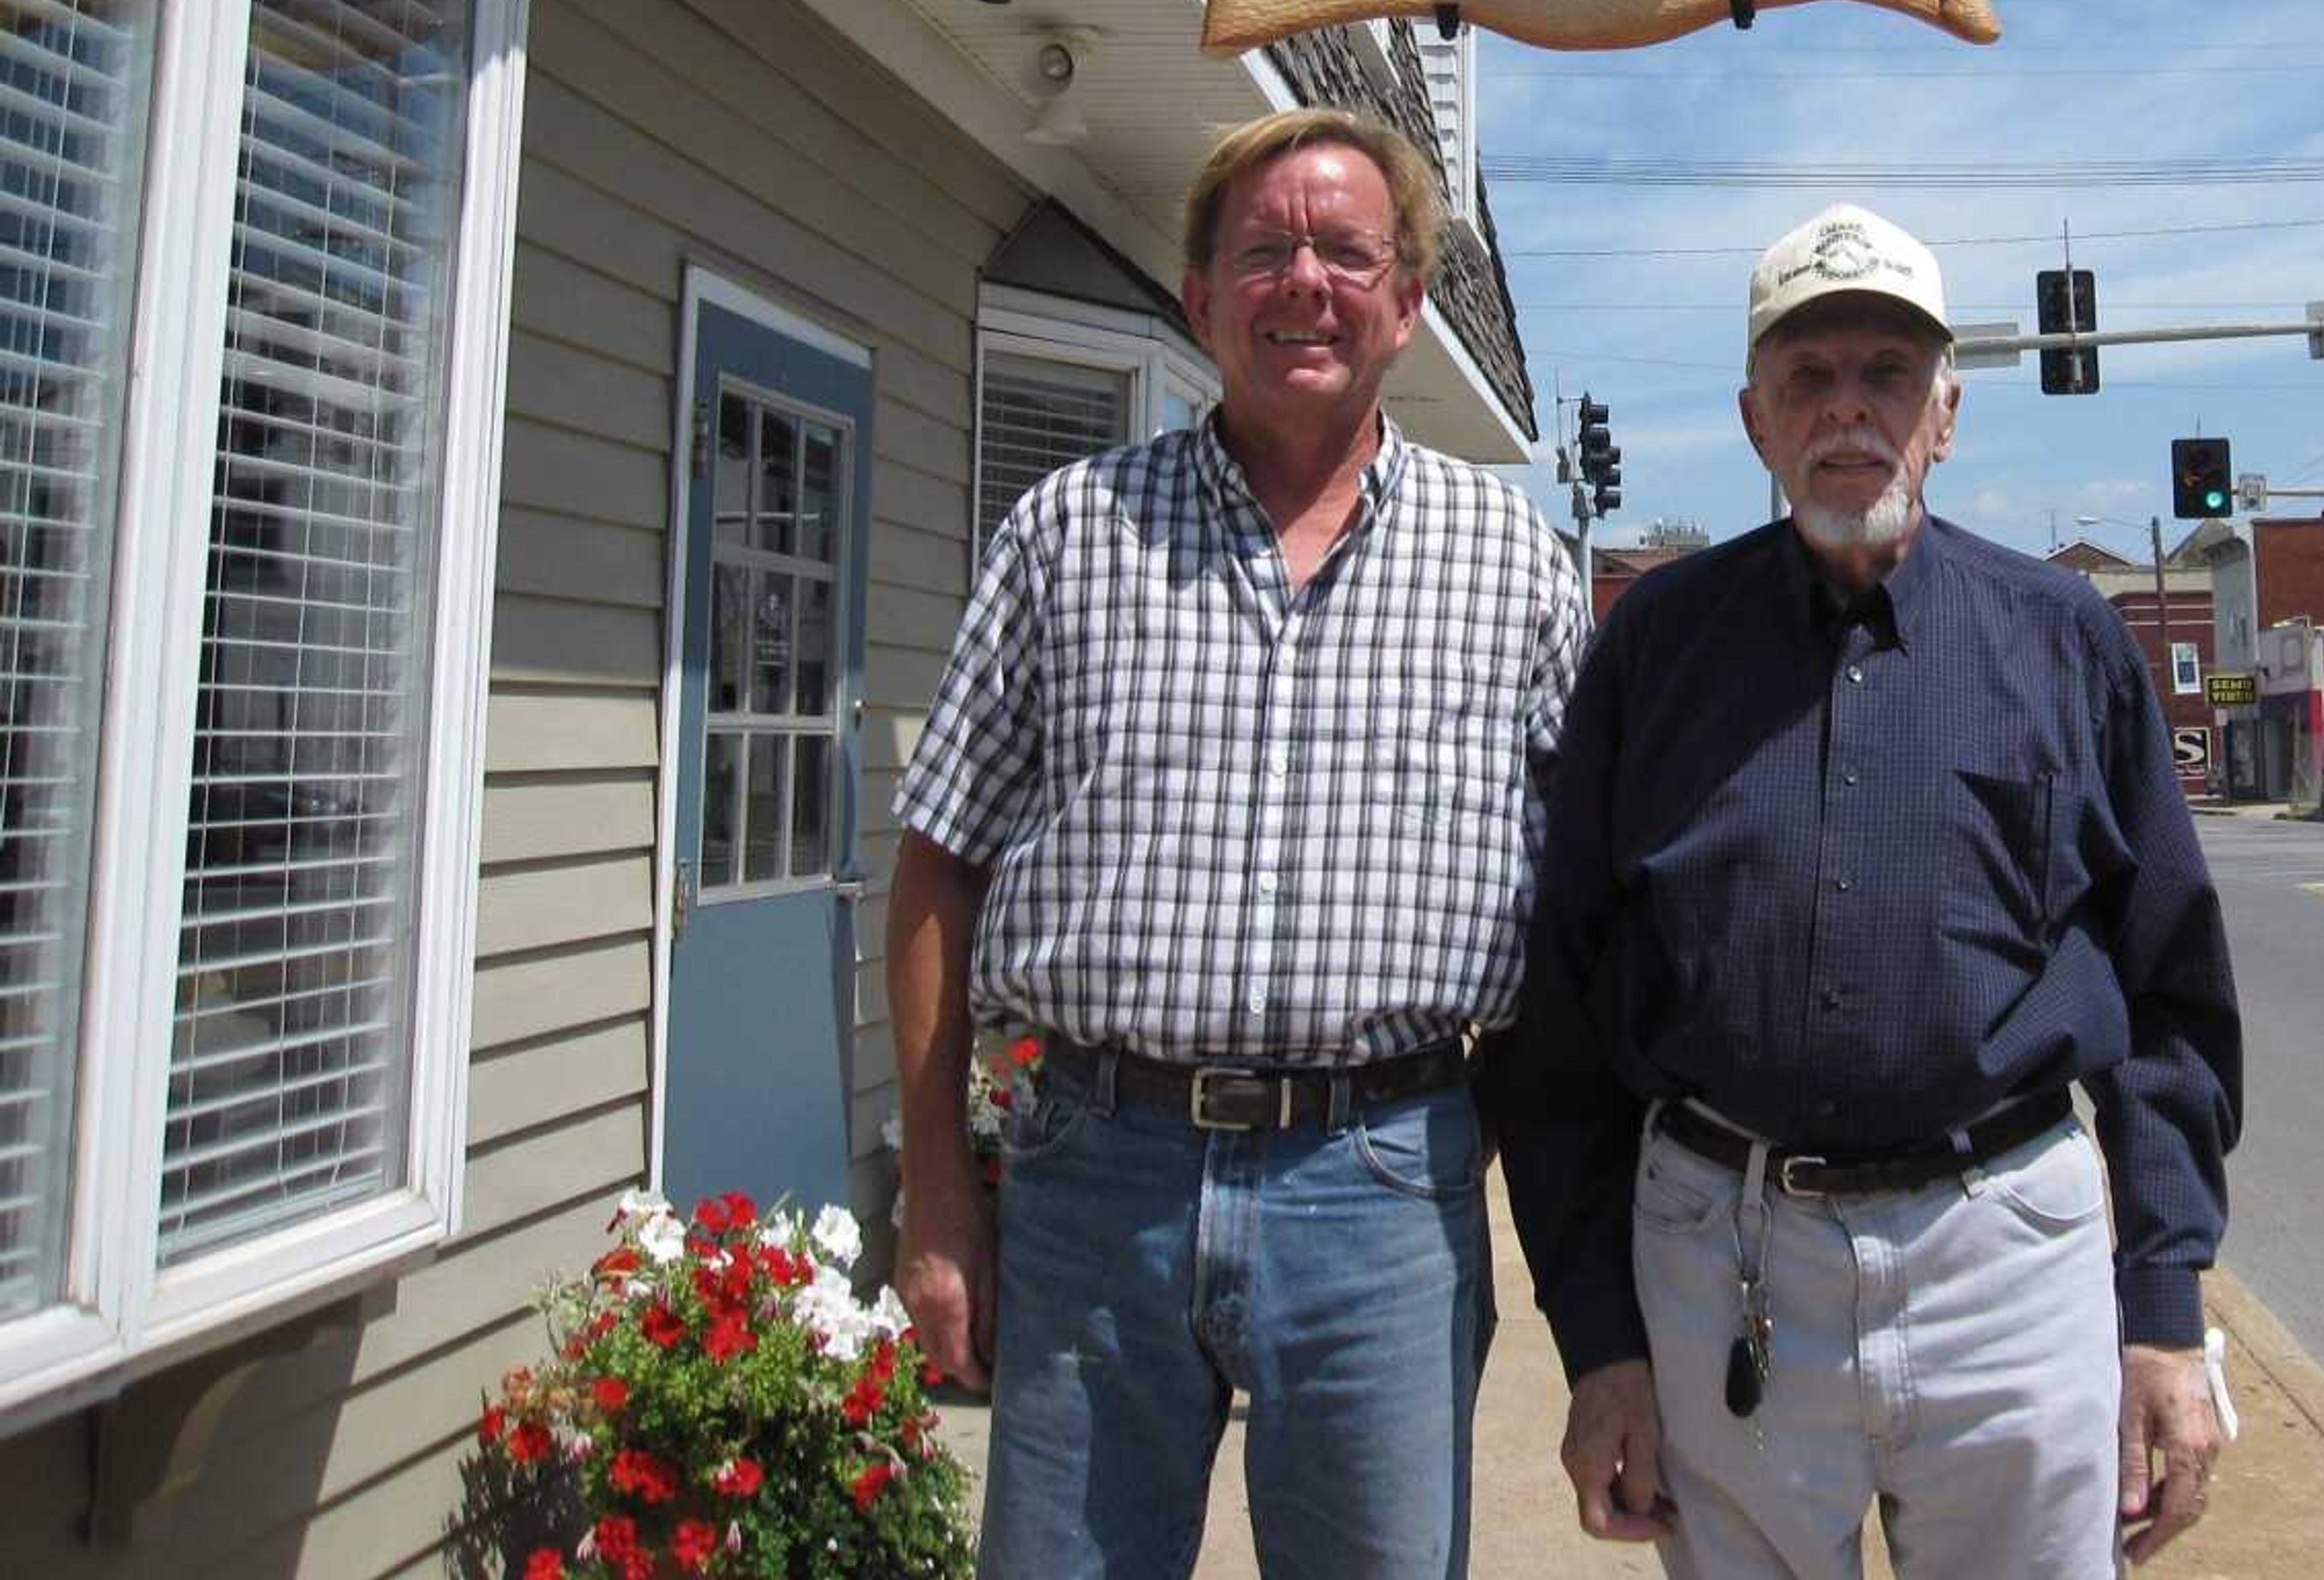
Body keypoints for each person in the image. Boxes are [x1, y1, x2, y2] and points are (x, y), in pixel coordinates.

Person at [888, 105, 1587, 1580]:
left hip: (1385, 1185)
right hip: (1095, 1177)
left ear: (1408, 301)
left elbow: (1579, 914)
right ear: (1200, 298)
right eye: (1262, 252)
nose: (1304, 283)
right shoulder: (1069, 534)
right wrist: (941, 1194)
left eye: (1347, 250)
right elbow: (938, 858)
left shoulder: (1516, 564)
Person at [1499, 203, 2243, 1577]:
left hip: (2010, 1259)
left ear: (1946, 412)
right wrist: (1600, 1341)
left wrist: (2163, 1307)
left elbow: (2169, 995)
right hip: (1719, 1253)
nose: (1850, 411)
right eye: (1810, 377)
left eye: (1887, 374)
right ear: (1755, 418)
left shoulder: (2064, 640)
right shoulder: (1656, 650)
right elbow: (1562, 1020)